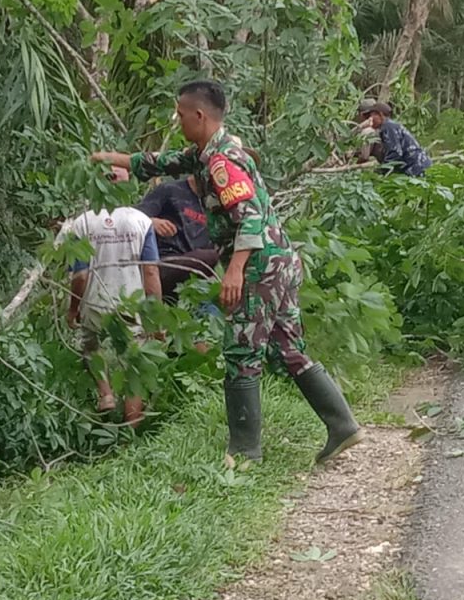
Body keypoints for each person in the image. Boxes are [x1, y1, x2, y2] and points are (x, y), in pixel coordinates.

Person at [92, 80, 362, 466]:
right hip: (278, 262)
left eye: (180, 114)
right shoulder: (206, 153)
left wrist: (235, 271)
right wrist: (109, 158)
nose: (178, 120)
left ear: (199, 115)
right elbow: (159, 162)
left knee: (240, 351)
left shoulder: (221, 162)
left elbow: (249, 218)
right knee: (288, 349)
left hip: (258, 266)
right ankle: (343, 425)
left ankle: (244, 451)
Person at [62, 206, 163, 421]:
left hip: (94, 301)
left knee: (91, 348)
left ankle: (106, 394)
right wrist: (155, 317)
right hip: (131, 303)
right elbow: (151, 271)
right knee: (134, 367)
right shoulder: (141, 220)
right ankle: (130, 430)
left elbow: (80, 275)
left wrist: (73, 308)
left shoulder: (83, 223)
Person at [135, 176, 220, 303]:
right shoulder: (169, 189)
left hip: (196, 277)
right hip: (164, 263)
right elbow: (132, 217)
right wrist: (152, 222)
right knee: (211, 256)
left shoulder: (214, 204)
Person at [357, 100, 433, 176]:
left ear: (380, 115)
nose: (370, 120)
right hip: (416, 165)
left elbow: (395, 152)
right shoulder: (389, 126)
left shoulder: (388, 127)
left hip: (416, 166)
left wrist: (382, 170)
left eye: (372, 116)